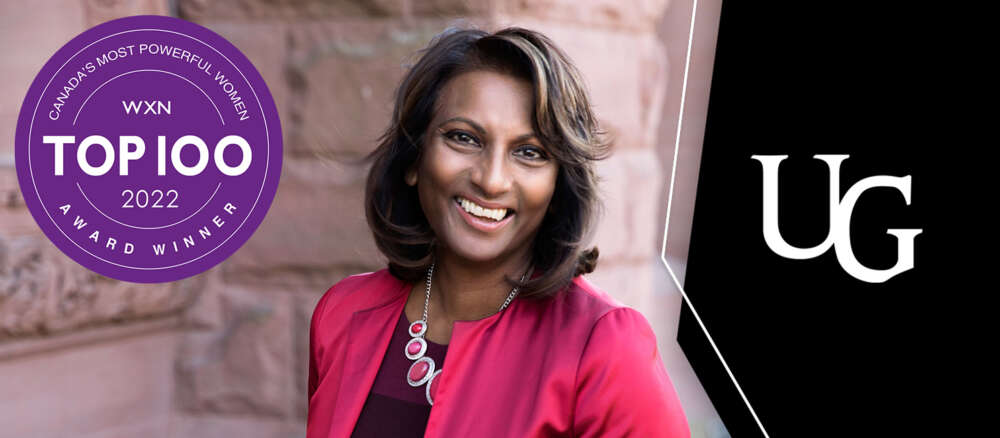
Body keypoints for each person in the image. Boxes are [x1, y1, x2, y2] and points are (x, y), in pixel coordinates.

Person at [307, 26, 689, 437]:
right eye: (464, 138)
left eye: (529, 152)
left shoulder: (603, 348)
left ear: (558, 184)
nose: (491, 180)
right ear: (414, 159)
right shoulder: (344, 314)